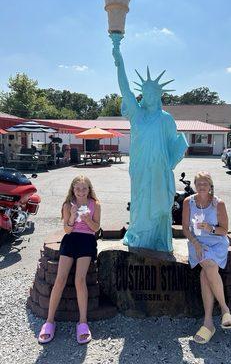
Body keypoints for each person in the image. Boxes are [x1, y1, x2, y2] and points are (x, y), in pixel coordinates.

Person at [111, 33, 188, 252]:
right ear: (142, 94)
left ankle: (158, 240)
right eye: (146, 92)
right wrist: (119, 59)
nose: (150, 95)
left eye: (154, 92)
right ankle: (139, 237)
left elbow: (174, 145)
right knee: (140, 205)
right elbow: (125, 89)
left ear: (159, 94)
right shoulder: (137, 114)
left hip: (160, 170)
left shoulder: (166, 118)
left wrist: (172, 160)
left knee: (160, 208)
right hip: (141, 168)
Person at [38, 175, 101, 344]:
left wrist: (88, 219)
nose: (81, 192)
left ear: (89, 189)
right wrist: (73, 216)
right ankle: (49, 321)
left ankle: (82, 322)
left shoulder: (95, 204)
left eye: (84, 188)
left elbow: (96, 228)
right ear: (73, 189)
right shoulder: (68, 205)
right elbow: (66, 229)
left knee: (80, 280)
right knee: (60, 278)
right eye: (78, 189)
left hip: (87, 241)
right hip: (71, 239)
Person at [182, 171, 231, 344]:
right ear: (195, 186)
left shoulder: (218, 204)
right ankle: (225, 309)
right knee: (209, 267)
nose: (202, 186)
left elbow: (224, 230)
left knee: (206, 273)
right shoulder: (188, 202)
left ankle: (208, 323)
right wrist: (195, 243)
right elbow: (185, 229)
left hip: (217, 242)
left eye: (205, 183)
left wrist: (210, 228)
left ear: (211, 185)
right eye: (199, 183)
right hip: (197, 243)